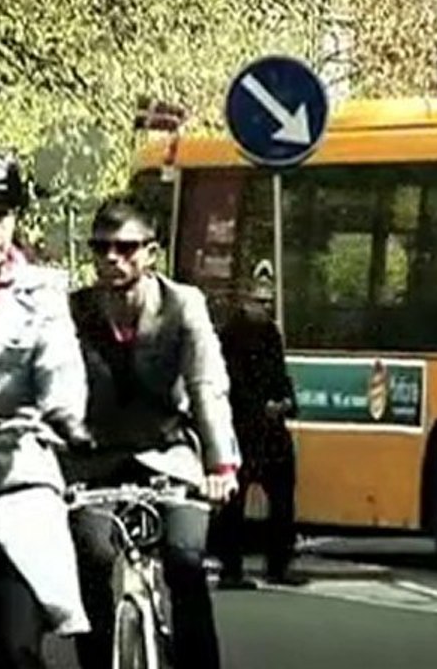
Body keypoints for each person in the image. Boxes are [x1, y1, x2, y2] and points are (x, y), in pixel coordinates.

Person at [64, 197, 242, 669]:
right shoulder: (73, 311)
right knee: (94, 564)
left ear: (151, 252)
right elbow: (52, 387)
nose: (111, 260)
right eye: (100, 248)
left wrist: (219, 465)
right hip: (93, 460)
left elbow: (206, 385)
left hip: (170, 455)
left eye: (125, 248)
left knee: (185, 562)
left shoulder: (183, 305)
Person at [0, 152, 94, 668]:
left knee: (17, 646)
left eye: (1, 212)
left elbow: (59, 363)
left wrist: (65, 414)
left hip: (17, 479)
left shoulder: (44, 293)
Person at [213, 269, 300, 587]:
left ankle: (279, 564)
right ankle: (231, 569)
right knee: (234, 503)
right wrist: (257, 407)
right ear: (245, 301)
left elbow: (280, 373)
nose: (266, 307)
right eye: (260, 301)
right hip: (241, 429)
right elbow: (231, 381)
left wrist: (287, 401)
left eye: (269, 302)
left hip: (272, 430)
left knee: (283, 496)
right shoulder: (230, 336)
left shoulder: (271, 334)